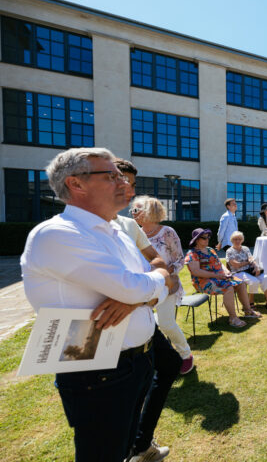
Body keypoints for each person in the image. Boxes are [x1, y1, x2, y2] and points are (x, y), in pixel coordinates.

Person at [21, 148, 177, 462]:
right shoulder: (57, 234)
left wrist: (142, 294)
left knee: (120, 449)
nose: (125, 183)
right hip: (97, 370)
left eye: (122, 176)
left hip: (136, 360)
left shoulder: (115, 232)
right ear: (76, 184)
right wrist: (156, 278)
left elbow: (152, 289)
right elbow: (145, 284)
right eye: (112, 176)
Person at [114, 159, 182, 462]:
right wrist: (152, 287)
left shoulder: (128, 226)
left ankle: (140, 444)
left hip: (142, 317)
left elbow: (159, 263)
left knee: (166, 365)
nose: (126, 189)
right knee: (113, 400)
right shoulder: (77, 229)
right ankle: (134, 445)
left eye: (131, 183)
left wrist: (144, 293)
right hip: (109, 331)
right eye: (118, 180)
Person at [130, 195, 193, 370]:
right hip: (143, 287)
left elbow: (180, 259)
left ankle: (185, 354)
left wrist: (165, 274)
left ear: (150, 211)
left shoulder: (167, 232)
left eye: (136, 210)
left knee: (166, 324)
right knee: (148, 325)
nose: (132, 214)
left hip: (167, 285)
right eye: (132, 210)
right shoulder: (134, 233)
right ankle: (159, 359)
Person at [185, 228, 261, 327]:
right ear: (197, 240)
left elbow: (219, 263)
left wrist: (227, 271)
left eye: (208, 237)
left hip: (219, 277)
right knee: (228, 288)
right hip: (203, 281)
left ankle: (248, 311)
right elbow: (196, 272)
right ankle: (233, 318)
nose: (207, 239)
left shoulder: (210, 250)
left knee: (240, 283)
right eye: (204, 238)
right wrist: (217, 275)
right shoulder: (192, 253)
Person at [226, 231, 267, 309]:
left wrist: (256, 267)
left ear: (242, 240)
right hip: (238, 272)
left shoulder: (245, 248)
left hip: (249, 270)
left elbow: (251, 258)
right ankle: (250, 302)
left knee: (265, 278)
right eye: (235, 239)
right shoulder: (229, 251)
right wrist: (248, 262)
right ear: (232, 240)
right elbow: (236, 265)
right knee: (254, 281)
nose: (237, 241)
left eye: (239, 239)